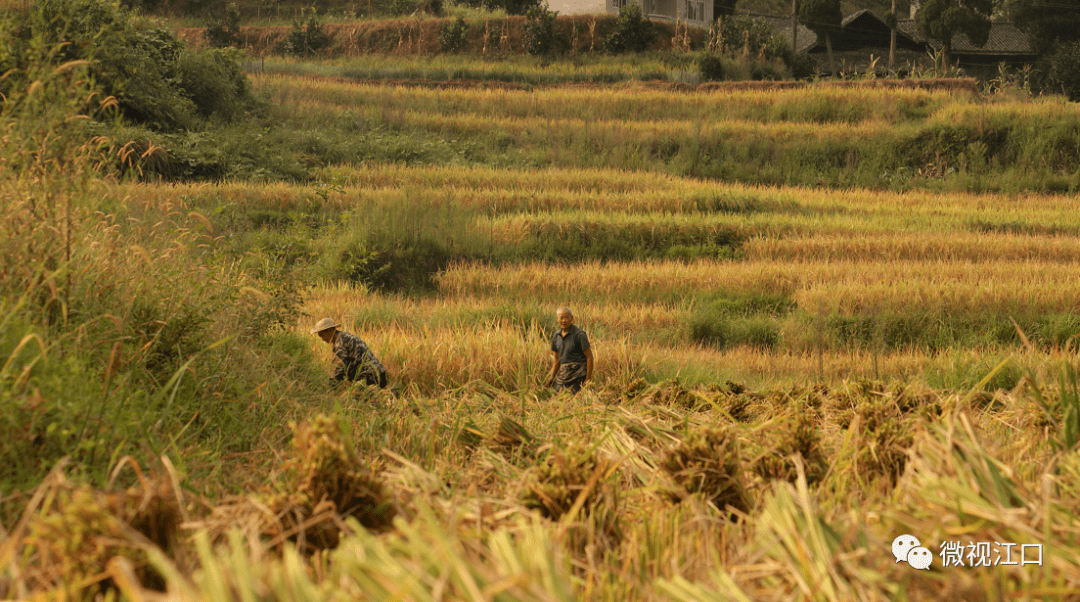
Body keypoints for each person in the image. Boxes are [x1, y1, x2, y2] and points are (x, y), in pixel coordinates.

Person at [310, 318, 388, 388]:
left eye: (322, 335)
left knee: (357, 401)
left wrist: (330, 385)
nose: (323, 339)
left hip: (368, 376)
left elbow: (342, 366)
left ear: (330, 331)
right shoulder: (346, 336)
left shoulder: (338, 343)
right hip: (380, 372)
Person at [544, 307, 594, 394]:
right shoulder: (556, 336)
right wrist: (552, 377)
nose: (564, 320)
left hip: (578, 375)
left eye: (566, 317)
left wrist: (587, 379)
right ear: (557, 319)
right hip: (563, 375)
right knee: (556, 397)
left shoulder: (579, 335)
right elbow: (556, 359)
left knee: (572, 399)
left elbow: (589, 357)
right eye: (561, 317)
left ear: (571, 318)